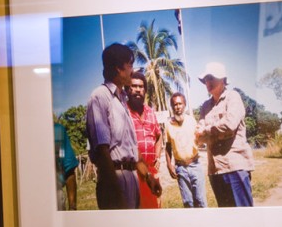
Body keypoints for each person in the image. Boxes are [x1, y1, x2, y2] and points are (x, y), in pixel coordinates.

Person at [85, 44, 159, 210]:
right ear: (118, 68)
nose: (132, 71)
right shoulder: (100, 97)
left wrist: (148, 177)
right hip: (115, 182)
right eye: (130, 66)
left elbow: (131, 149)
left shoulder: (122, 101)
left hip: (132, 179)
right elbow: (102, 152)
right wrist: (116, 192)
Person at [196, 61, 255, 206]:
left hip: (235, 166)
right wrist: (210, 131)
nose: (207, 82)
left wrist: (207, 130)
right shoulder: (205, 106)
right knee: (226, 218)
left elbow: (229, 124)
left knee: (244, 215)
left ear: (222, 79)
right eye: (205, 79)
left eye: (211, 78)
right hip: (215, 170)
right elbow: (199, 137)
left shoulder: (233, 97)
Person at [126, 71, 164, 209]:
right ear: (127, 89)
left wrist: (158, 158)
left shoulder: (150, 112)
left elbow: (159, 136)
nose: (137, 89)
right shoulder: (123, 112)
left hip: (150, 171)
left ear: (145, 90)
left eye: (141, 87)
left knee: (154, 212)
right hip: (133, 173)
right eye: (134, 86)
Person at [165, 91, 206, 208]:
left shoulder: (192, 121)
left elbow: (200, 139)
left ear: (185, 105)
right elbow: (168, 147)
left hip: (195, 165)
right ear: (172, 107)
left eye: (180, 104)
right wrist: (169, 165)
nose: (177, 107)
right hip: (181, 168)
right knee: (188, 203)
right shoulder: (168, 125)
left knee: (201, 201)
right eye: (175, 105)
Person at [54, 122, 79, 211]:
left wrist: (72, 209)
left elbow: (69, 169)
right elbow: (70, 170)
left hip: (54, 195)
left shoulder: (57, 131)